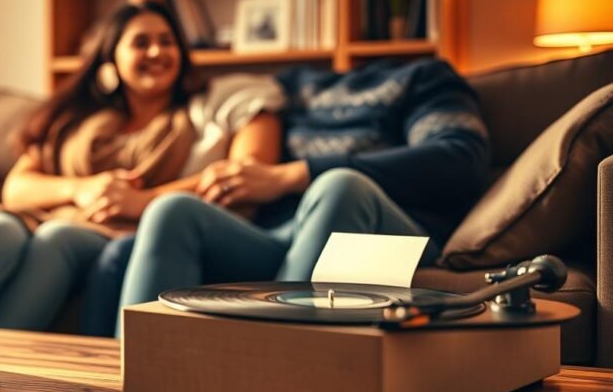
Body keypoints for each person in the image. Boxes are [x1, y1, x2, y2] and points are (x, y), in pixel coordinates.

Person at [0, 1, 287, 330]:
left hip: (99, 231)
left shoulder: (188, 122)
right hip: (48, 214)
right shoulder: (78, 121)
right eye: (141, 43)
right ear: (111, 60)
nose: (157, 52)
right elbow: (16, 188)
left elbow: (244, 172)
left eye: (167, 42)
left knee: (56, 237)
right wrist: (81, 189)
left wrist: (139, 199)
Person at [102, 58, 491, 336]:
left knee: (339, 185)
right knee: (173, 209)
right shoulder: (283, 90)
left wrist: (295, 174)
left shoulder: (425, 78)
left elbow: (460, 157)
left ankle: (275, 362)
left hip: (389, 234)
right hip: (285, 236)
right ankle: (134, 379)